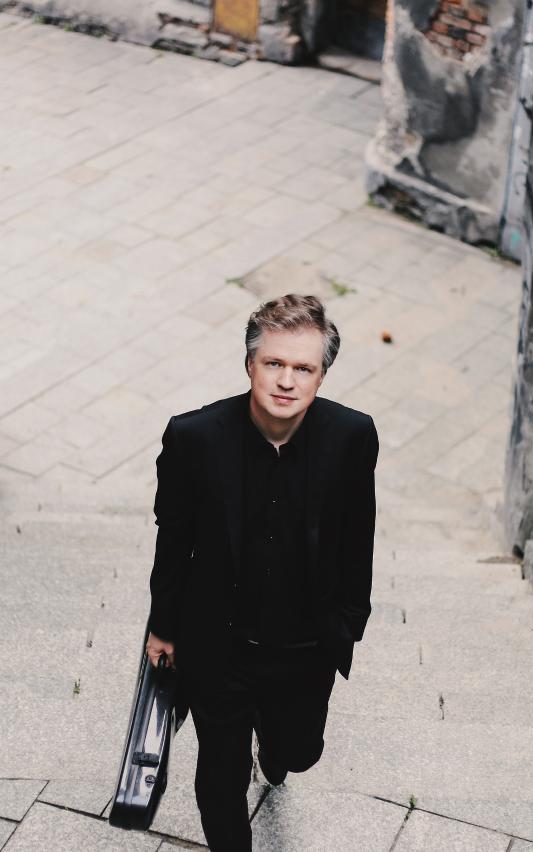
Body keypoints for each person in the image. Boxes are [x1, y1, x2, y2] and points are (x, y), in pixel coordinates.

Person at [145, 294, 378, 851]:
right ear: (250, 364)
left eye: (304, 368)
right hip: (219, 644)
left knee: (299, 751)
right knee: (218, 777)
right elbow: (173, 541)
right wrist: (163, 628)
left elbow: (358, 536)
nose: (287, 381)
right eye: (274, 363)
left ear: (322, 375)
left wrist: (350, 622)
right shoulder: (194, 437)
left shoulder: (351, 436)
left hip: (306, 646)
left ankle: (273, 750)